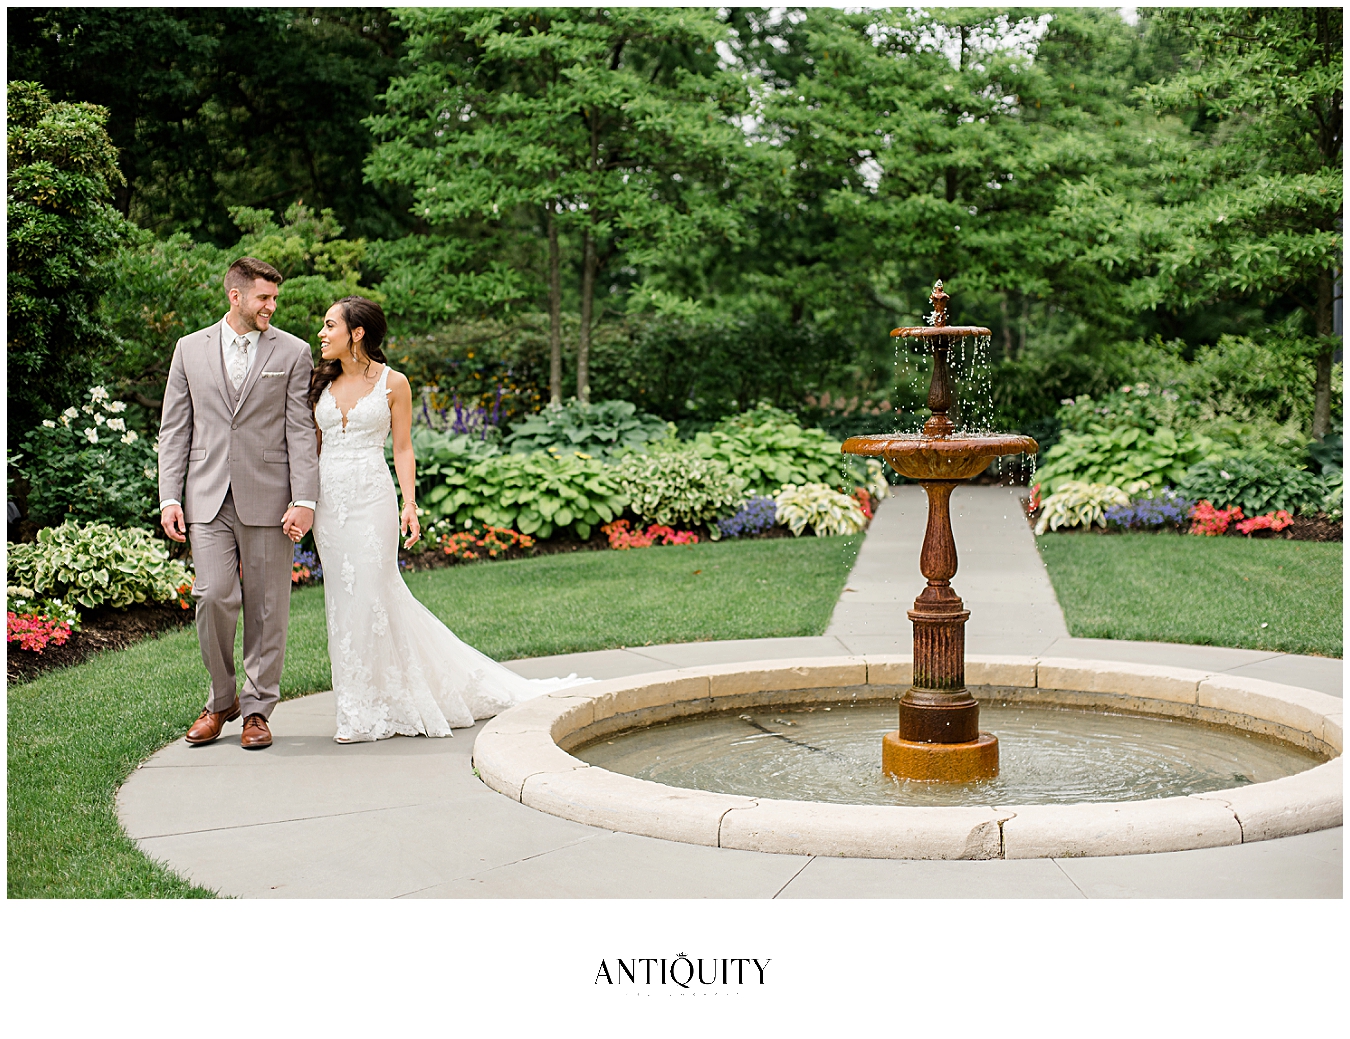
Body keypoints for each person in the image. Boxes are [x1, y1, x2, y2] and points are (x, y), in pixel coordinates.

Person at [309, 296, 588, 743]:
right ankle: (360, 704)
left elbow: (402, 448)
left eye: (329, 326)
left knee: (374, 594)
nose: (321, 334)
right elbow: (313, 448)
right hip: (329, 506)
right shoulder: (319, 381)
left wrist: (409, 504)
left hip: (371, 499)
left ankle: (368, 712)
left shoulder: (393, 383)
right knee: (344, 602)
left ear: (356, 333)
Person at [159, 257, 319, 749]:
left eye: (275, 298)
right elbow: (175, 428)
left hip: (270, 498)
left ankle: (257, 709)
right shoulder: (189, 349)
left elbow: (300, 429)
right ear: (236, 296)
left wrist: (304, 499)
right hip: (206, 497)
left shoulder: (293, 352)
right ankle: (221, 698)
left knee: (268, 607)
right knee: (212, 596)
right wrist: (170, 495)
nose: (272, 306)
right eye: (263, 298)